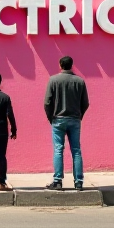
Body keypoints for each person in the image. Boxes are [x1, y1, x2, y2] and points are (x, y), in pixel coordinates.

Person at [44, 56, 89, 191]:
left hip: (58, 119)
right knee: (76, 150)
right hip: (75, 119)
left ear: (60, 65)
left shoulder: (53, 80)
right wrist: (79, 115)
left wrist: (50, 117)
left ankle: (58, 181)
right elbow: (85, 103)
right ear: (72, 65)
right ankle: (79, 182)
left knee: (58, 149)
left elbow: (47, 102)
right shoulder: (79, 81)